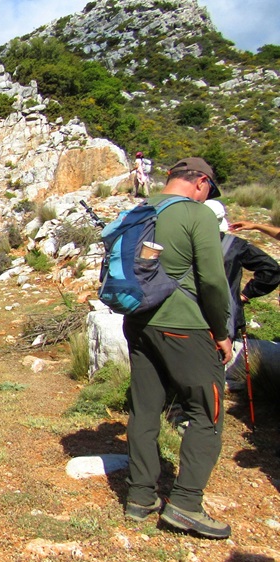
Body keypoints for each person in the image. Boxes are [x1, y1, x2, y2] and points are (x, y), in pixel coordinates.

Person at [122, 157, 233, 539]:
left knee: (144, 408)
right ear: (200, 182)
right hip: (184, 326)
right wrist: (221, 331)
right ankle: (186, 504)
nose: (207, 196)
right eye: (209, 190)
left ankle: (140, 496)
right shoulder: (197, 215)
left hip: (138, 322)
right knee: (206, 411)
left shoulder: (138, 210)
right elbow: (213, 282)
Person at [204, 199, 280, 342]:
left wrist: (256, 226)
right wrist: (246, 294)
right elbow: (271, 270)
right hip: (224, 314)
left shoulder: (177, 241)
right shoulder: (234, 246)